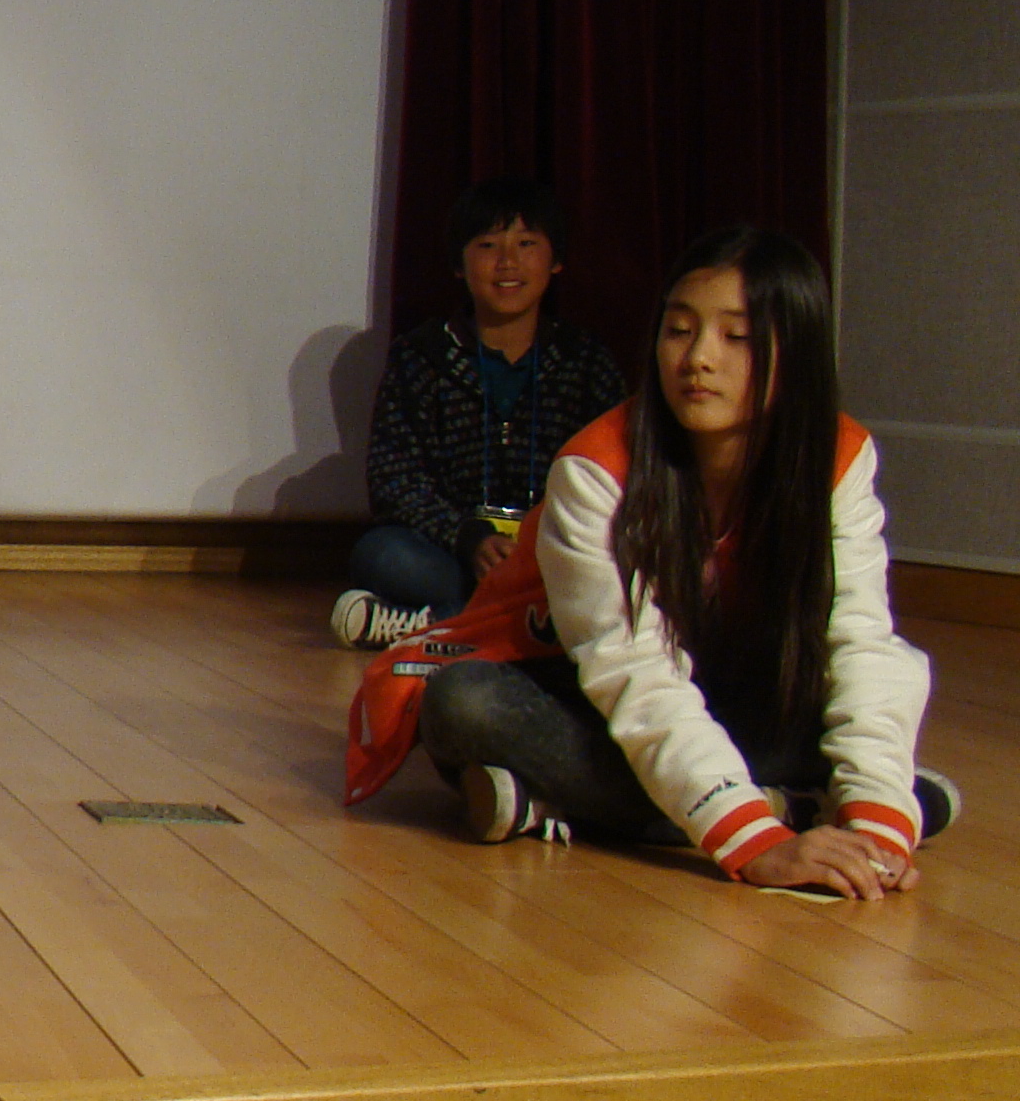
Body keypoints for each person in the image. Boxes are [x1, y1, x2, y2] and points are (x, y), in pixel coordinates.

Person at [346, 226, 957, 896]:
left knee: (865, 683)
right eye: (679, 330)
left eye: (737, 336)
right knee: (465, 703)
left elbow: (860, 639)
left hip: (728, 691)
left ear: (798, 350)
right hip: (585, 692)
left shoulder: (838, 457)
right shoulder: (596, 468)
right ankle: (786, 808)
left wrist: (878, 827)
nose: (698, 358)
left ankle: (565, 804)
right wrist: (756, 843)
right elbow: (630, 671)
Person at [333, 176, 627, 648]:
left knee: (600, 570)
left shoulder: (585, 361)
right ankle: (517, 627)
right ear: (458, 264)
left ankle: (430, 626)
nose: (508, 262)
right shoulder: (421, 356)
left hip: (552, 551)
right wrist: (468, 538)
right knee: (383, 555)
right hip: (452, 552)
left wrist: (540, 543)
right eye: (488, 245)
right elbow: (393, 478)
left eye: (526, 244)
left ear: (556, 260)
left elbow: (612, 474)